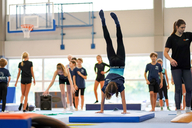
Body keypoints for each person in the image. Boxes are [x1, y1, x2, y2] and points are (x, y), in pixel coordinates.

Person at [96, 10, 128, 114]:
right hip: (112, 63)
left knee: (119, 40)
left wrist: (125, 111)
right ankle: (103, 22)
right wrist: (101, 109)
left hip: (121, 62)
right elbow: (102, 100)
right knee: (108, 41)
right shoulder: (105, 86)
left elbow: (123, 99)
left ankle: (117, 24)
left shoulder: (119, 85)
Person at [164, 19, 192, 115]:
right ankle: (178, 109)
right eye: (181, 27)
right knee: (178, 88)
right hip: (176, 67)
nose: (183, 29)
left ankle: (188, 107)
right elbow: (165, 52)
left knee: (189, 88)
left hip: (186, 67)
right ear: (177, 27)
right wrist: (171, 60)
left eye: (184, 27)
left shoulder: (188, 35)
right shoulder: (171, 38)